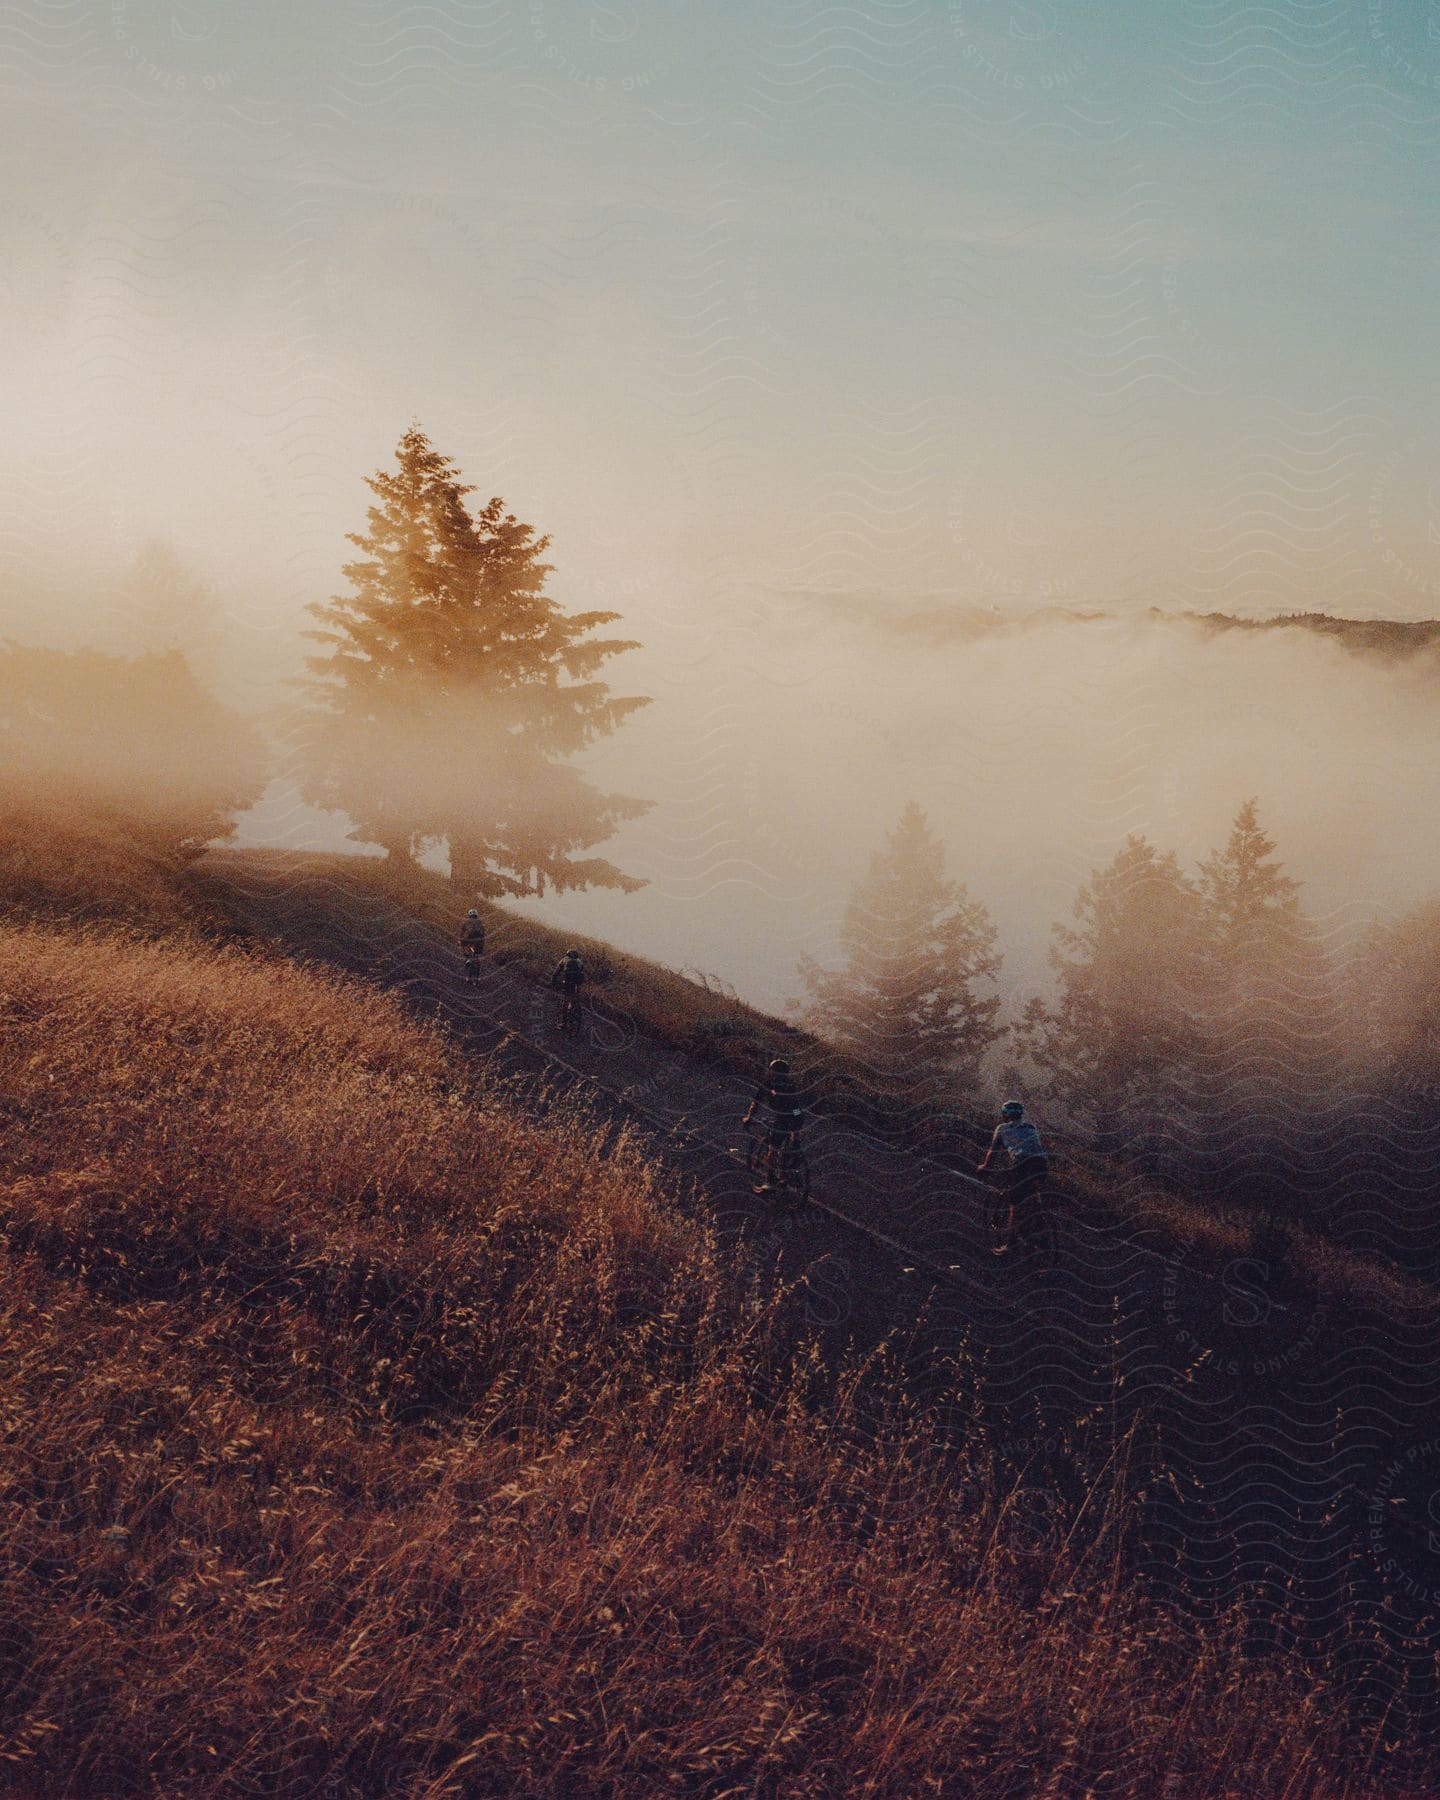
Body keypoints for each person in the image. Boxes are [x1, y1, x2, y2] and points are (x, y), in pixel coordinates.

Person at [977, 1100, 1051, 1253]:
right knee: (1031, 1194)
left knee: (1015, 1205)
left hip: (1023, 1164)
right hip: (1041, 1163)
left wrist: (985, 1167)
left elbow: (993, 1152)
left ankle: (1010, 1245)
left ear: (1005, 1115)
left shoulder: (1002, 1128)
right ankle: (1040, 1226)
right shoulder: (1031, 1127)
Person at [742, 1057, 806, 1191]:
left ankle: (770, 1179)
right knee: (794, 1133)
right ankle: (793, 1158)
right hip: (796, 1113)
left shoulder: (770, 1084)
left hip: (783, 1115)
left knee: (773, 1147)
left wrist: (749, 1117)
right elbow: (794, 1104)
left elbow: (756, 1102)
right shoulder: (790, 1084)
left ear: (773, 1072)